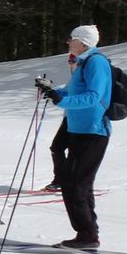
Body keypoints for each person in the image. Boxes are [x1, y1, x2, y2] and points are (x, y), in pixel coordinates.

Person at [35, 25, 111, 249]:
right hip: (79, 130)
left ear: (82, 42)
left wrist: (61, 100)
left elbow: (93, 97)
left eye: (72, 39)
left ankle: (87, 235)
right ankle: (89, 233)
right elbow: (74, 92)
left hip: (93, 131)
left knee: (74, 184)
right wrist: (53, 91)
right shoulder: (83, 62)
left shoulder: (96, 62)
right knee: (80, 184)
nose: (68, 43)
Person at [44, 52, 77, 192]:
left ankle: (75, 183)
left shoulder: (88, 77)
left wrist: (57, 95)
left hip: (84, 120)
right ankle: (60, 180)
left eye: (74, 61)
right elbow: (66, 92)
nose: (71, 64)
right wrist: (50, 90)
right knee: (56, 147)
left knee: (76, 153)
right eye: (70, 62)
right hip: (69, 118)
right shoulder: (74, 79)